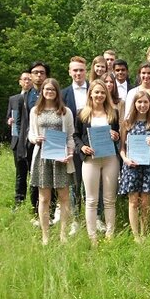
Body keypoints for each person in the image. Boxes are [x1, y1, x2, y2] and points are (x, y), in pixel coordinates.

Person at [28, 78, 75, 245]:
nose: (49, 92)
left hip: (61, 158)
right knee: (44, 198)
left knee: (63, 197)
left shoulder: (65, 112)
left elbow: (70, 136)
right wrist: (35, 139)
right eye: (46, 89)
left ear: (57, 92)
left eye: (53, 90)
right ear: (42, 91)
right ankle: (45, 236)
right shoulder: (35, 111)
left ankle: (63, 234)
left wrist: (70, 153)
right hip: (42, 158)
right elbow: (31, 134)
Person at [74, 80, 121, 246]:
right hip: (90, 160)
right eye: (96, 92)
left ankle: (110, 234)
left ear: (106, 95)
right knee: (91, 200)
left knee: (109, 199)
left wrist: (116, 136)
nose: (99, 95)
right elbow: (76, 136)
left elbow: (118, 135)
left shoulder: (113, 113)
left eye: (102, 92)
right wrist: (83, 147)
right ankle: (92, 237)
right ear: (90, 94)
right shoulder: (82, 114)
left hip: (110, 159)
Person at [119, 91, 150, 242]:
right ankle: (136, 235)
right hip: (131, 166)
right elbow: (122, 148)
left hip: (148, 166)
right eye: (139, 102)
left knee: (145, 201)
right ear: (134, 104)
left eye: (145, 102)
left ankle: (144, 233)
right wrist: (125, 160)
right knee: (133, 201)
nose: (142, 105)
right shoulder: (127, 124)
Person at [62, 56, 89, 235]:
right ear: (70, 72)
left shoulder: (94, 89)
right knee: (74, 184)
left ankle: (95, 218)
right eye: (75, 70)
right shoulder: (63, 94)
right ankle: (76, 220)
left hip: (91, 145)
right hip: (71, 144)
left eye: (81, 70)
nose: (78, 73)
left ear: (85, 71)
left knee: (93, 185)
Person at [21, 61, 50, 224]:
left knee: (51, 179)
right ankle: (35, 212)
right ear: (30, 75)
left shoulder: (52, 93)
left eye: (42, 72)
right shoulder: (24, 97)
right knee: (35, 178)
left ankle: (51, 212)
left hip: (52, 144)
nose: (39, 75)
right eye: (35, 72)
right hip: (33, 145)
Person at [7, 71, 32, 211]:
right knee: (20, 173)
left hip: (32, 141)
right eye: (25, 79)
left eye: (29, 79)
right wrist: (9, 120)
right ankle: (19, 201)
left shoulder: (37, 98)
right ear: (20, 82)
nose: (27, 81)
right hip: (17, 141)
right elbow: (8, 117)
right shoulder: (14, 99)